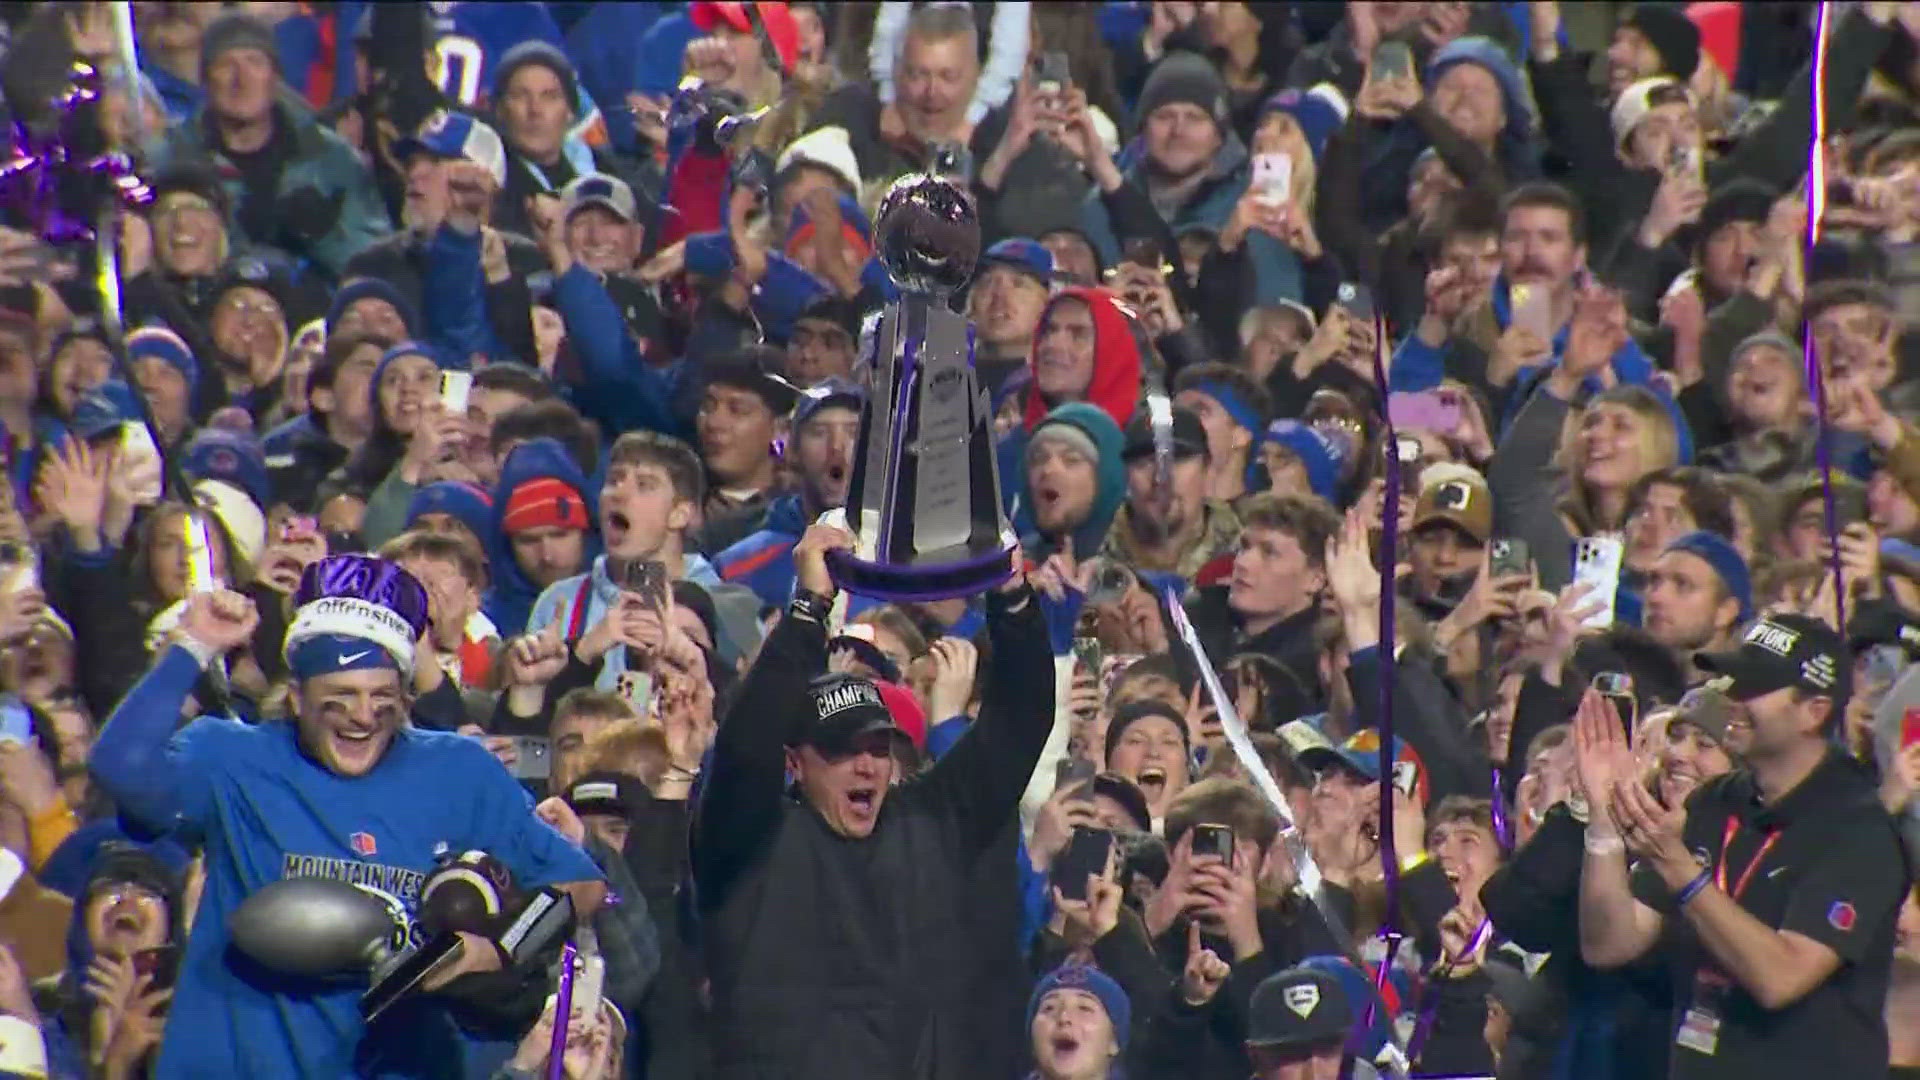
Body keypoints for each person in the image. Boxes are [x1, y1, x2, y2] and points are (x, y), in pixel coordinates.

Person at [86, 554, 605, 1076]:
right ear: (295, 698)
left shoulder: (457, 771)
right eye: (341, 697)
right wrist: (192, 644)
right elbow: (118, 766)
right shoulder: (232, 759)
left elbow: (579, 883)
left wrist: (499, 949)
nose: (362, 716)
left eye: (382, 696)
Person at [692, 521, 1051, 1076]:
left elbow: (1021, 723)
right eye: (841, 749)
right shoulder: (746, 843)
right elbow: (746, 744)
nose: (866, 764)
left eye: (879, 747)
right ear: (794, 761)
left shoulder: (930, 821)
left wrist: (1010, 595)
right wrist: (810, 607)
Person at [1576, 614, 1914, 1079]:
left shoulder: (1856, 831)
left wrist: (1682, 873)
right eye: (1732, 679)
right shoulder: (1716, 802)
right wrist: (1602, 818)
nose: (1731, 697)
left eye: (1754, 685)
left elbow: (1781, 977)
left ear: (1813, 711)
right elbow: (1609, 943)